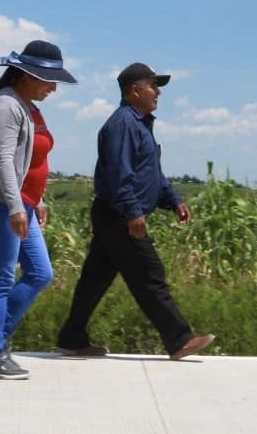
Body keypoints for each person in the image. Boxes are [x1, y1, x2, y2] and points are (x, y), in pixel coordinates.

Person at [55, 62, 216, 362]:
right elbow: (119, 175)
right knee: (149, 273)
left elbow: (150, 172)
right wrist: (132, 212)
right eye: (153, 86)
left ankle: (71, 338)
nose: (157, 93)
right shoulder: (122, 125)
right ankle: (179, 339)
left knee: (95, 278)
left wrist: (173, 199)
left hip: (113, 214)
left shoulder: (139, 125)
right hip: (118, 214)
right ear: (134, 90)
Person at [0, 41, 77, 379]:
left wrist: (37, 200)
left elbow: (29, 160)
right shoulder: (6, 106)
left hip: (22, 204)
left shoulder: (28, 106)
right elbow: (2, 161)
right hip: (1, 202)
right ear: (29, 75)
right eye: (49, 80)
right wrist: (16, 207)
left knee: (41, 273)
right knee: (1, 279)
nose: (54, 88)